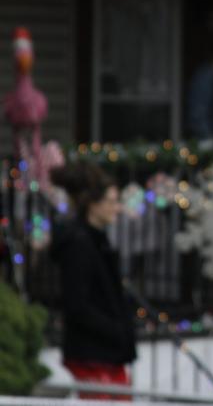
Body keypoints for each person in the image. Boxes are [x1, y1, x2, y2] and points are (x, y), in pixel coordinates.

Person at [50, 161, 136, 401]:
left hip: (105, 354)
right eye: (111, 201)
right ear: (93, 204)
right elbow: (77, 303)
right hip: (93, 355)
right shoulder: (79, 244)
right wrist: (115, 330)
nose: (117, 208)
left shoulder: (97, 241)